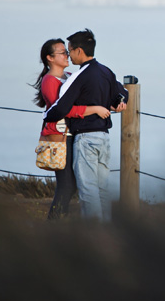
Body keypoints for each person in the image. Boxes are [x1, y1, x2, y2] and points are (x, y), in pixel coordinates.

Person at [45, 29, 127, 220]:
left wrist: (48, 115)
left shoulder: (78, 76)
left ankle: (93, 232)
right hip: (104, 137)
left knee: (88, 189)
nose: (69, 55)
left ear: (79, 51)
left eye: (70, 51)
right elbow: (122, 91)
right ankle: (106, 230)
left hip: (85, 138)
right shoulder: (106, 71)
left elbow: (61, 107)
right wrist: (121, 102)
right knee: (102, 189)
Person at [32, 38, 110, 220]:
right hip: (60, 137)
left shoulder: (68, 76)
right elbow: (62, 110)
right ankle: (54, 224)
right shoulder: (49, 81)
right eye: (62, 52)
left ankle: (60, 223)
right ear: (50, 58)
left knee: (74, 184)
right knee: (67, 185)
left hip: (72, 134)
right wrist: (95, 109)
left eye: (66, 51)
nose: (67, 55)